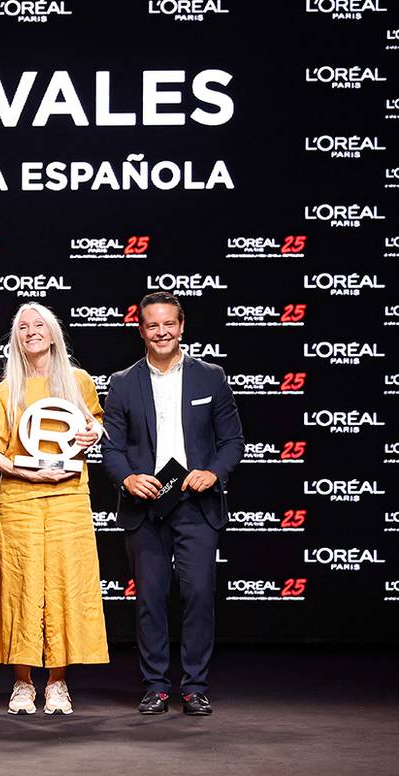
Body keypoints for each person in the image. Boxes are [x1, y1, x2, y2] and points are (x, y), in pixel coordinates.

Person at [102, 292, 243, 716]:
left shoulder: (210, 377)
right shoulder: (123, 382)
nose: (161, 332)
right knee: (150, 598)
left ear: (181, 327)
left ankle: (195, 685)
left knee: (199, 594)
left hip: (195, 502)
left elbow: (232, 441)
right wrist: (127, 477)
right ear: (140, 329)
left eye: (169, 324)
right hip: (145, 505)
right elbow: (112, 447)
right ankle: (157, 686)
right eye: (152, 325)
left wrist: (214, 472)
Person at [0, 303, 108, 716]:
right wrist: (23, 471)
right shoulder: (5, 389)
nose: (32, 331)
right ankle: (21, 683)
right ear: (16, 338)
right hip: (21, 500)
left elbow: (97, 424)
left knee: (67, 588)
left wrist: (95, 432)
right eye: (23, 327)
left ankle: (58, 684)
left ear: (53, 333)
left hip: (69, 498)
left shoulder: (79, 382)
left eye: (39, 325)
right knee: (21, 587)